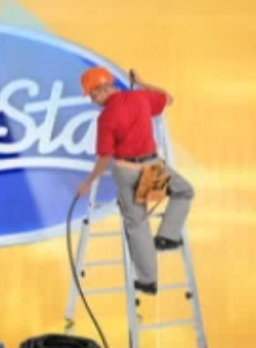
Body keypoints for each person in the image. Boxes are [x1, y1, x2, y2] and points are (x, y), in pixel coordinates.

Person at [77, 66, 196, 295]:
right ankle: (167, 236)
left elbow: (105, 157)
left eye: (92, 95)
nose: (92, 100)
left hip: (126, 171)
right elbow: (168, 98)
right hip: (151, 168)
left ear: (103, 89)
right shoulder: (141, 97)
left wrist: (89, 182)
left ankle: (148, 281)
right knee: (183, 192)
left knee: (137, 224)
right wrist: (141, 82)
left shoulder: (106, 118)